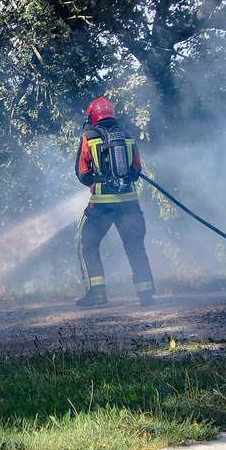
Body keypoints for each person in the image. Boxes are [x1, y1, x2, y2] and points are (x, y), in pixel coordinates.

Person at [74, 96, 155, 307]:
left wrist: (97, 182)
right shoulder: (127, 136)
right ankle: (146, 293)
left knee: (88, 243)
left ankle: (97, 294)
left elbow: (82, 174)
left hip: (101, 205)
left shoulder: (89, 137)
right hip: (129, 202)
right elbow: (136, 171)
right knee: (135, 245)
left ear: (92, 116)